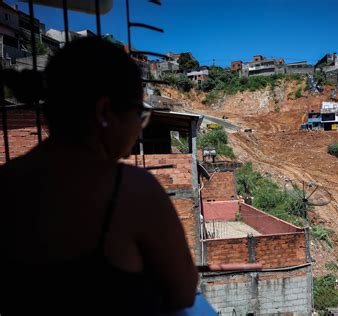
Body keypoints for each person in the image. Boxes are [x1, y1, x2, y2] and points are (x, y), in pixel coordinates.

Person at [0, 37, 198, 315]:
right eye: (139, 112)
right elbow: (183, 292)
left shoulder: (7, 183)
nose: (140, 128)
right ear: (104, 112)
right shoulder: (131, 190)